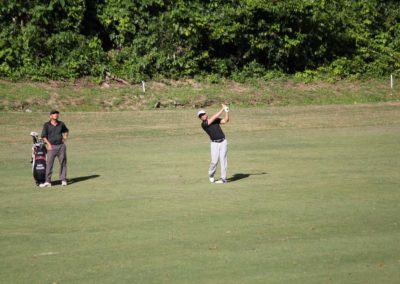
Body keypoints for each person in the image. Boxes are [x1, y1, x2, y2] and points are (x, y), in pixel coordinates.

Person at [198, 104, 230, 183]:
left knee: (223, 160)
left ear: (206, 114)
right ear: (200, 118)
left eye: (203, 114)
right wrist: (222, 109)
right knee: (214, 161)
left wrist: (226, 111)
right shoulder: (204, 124)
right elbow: (214, 117)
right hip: (214, 144)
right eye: (201, 116)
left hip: (223, 142)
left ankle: (223, 178)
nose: (203, 116)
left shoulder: (215, 120)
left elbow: (225, 120)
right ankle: (211, 174)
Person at [39, 110, 69, 187]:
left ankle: (63, 179)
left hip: (61, 146)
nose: (55, 115)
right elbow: (43, 136)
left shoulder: (61, 124)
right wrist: (48, 144)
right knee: (49, 164)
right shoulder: (46, 125)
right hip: (51, 147)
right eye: (54, 114)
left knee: (63, 163)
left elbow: (66, 131)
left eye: (57, 114)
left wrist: (65, 137)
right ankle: (48, 181)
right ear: (50, 116)